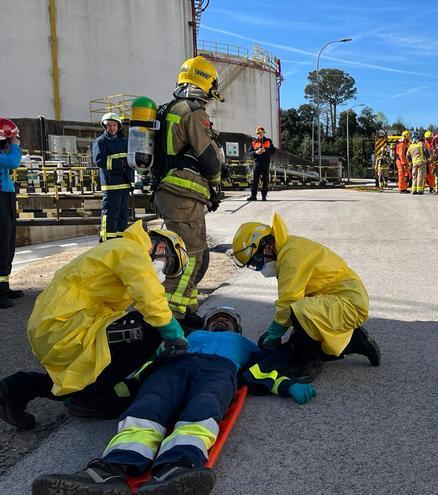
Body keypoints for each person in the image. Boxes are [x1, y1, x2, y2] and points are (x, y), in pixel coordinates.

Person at [31, 314, 317, 495]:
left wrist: (288, 385)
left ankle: (177, 468)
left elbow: (259, 370)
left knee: (204, 406)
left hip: (219, 371)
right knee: (148, 405)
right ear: (207, 323)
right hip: (174, 367)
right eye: (216, 318)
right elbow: (149, 363)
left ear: (236, 327)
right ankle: (108, 471)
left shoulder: (243, 343)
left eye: (227, 320)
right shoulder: (189, 336)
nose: (221, 322)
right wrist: (111, 391)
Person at [0, 222, 189, 430]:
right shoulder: (131, 250)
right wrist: (172, 333)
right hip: (65, 324)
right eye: (169, 266)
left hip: (61, 324)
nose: (164, 273)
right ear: (162, 248)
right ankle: (89, 399)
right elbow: (149, 297)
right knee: (149, 329)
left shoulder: (119, 249)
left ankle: (18, 388)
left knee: (95, 365)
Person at [231, 213, 381, 383]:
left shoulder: (291, 256)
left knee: (299, 313)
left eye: (256, 261)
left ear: (265, 245)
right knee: (298, 341)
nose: (259, 267)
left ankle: (311, 363)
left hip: (350, 304)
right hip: (337, 300)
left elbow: (288, 303)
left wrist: (273, 335)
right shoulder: (287, 249)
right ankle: (355, 341)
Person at [153, 55, 226, 325]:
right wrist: (217, 182)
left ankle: (187, 309)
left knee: (188, 253)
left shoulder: (169, 109)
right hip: (183, 194)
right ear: (206, 82)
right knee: (190, 257)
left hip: (170, 192)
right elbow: (207, 156)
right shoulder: (192, 111)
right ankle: (171, 320)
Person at [93, 112, 133, 242]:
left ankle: (120, 241)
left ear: (118, 126)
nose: (112, 128)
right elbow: (99, 160)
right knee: (110, 214)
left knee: (123, 215)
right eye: (109, 125)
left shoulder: (123, 141)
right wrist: (120, 164)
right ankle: (106, 240)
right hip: (111, 185)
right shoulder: (100, 142)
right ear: (104, 127)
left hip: (124, 184)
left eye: (114, 125)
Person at [0, 117, 23, 309]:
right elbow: (13, 162)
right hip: (1, 197)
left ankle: (4, 286)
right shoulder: (5, 154)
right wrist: (15, 146)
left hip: (6, 196)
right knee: (1, 242)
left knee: (7, 243)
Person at [247, 125, 275, 201]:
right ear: (257, 134)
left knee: (265, 180)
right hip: (257, 163)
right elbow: (249, 153)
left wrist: (265, 151)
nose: (261, 134)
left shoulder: (268, 141)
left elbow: (273, 151)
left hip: (265, 163)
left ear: (264, 133)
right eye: (259, 133)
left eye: (262, 133)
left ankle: (264, 196)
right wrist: (256, 152)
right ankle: (253, 196)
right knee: (255, 180)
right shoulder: (254, 142)